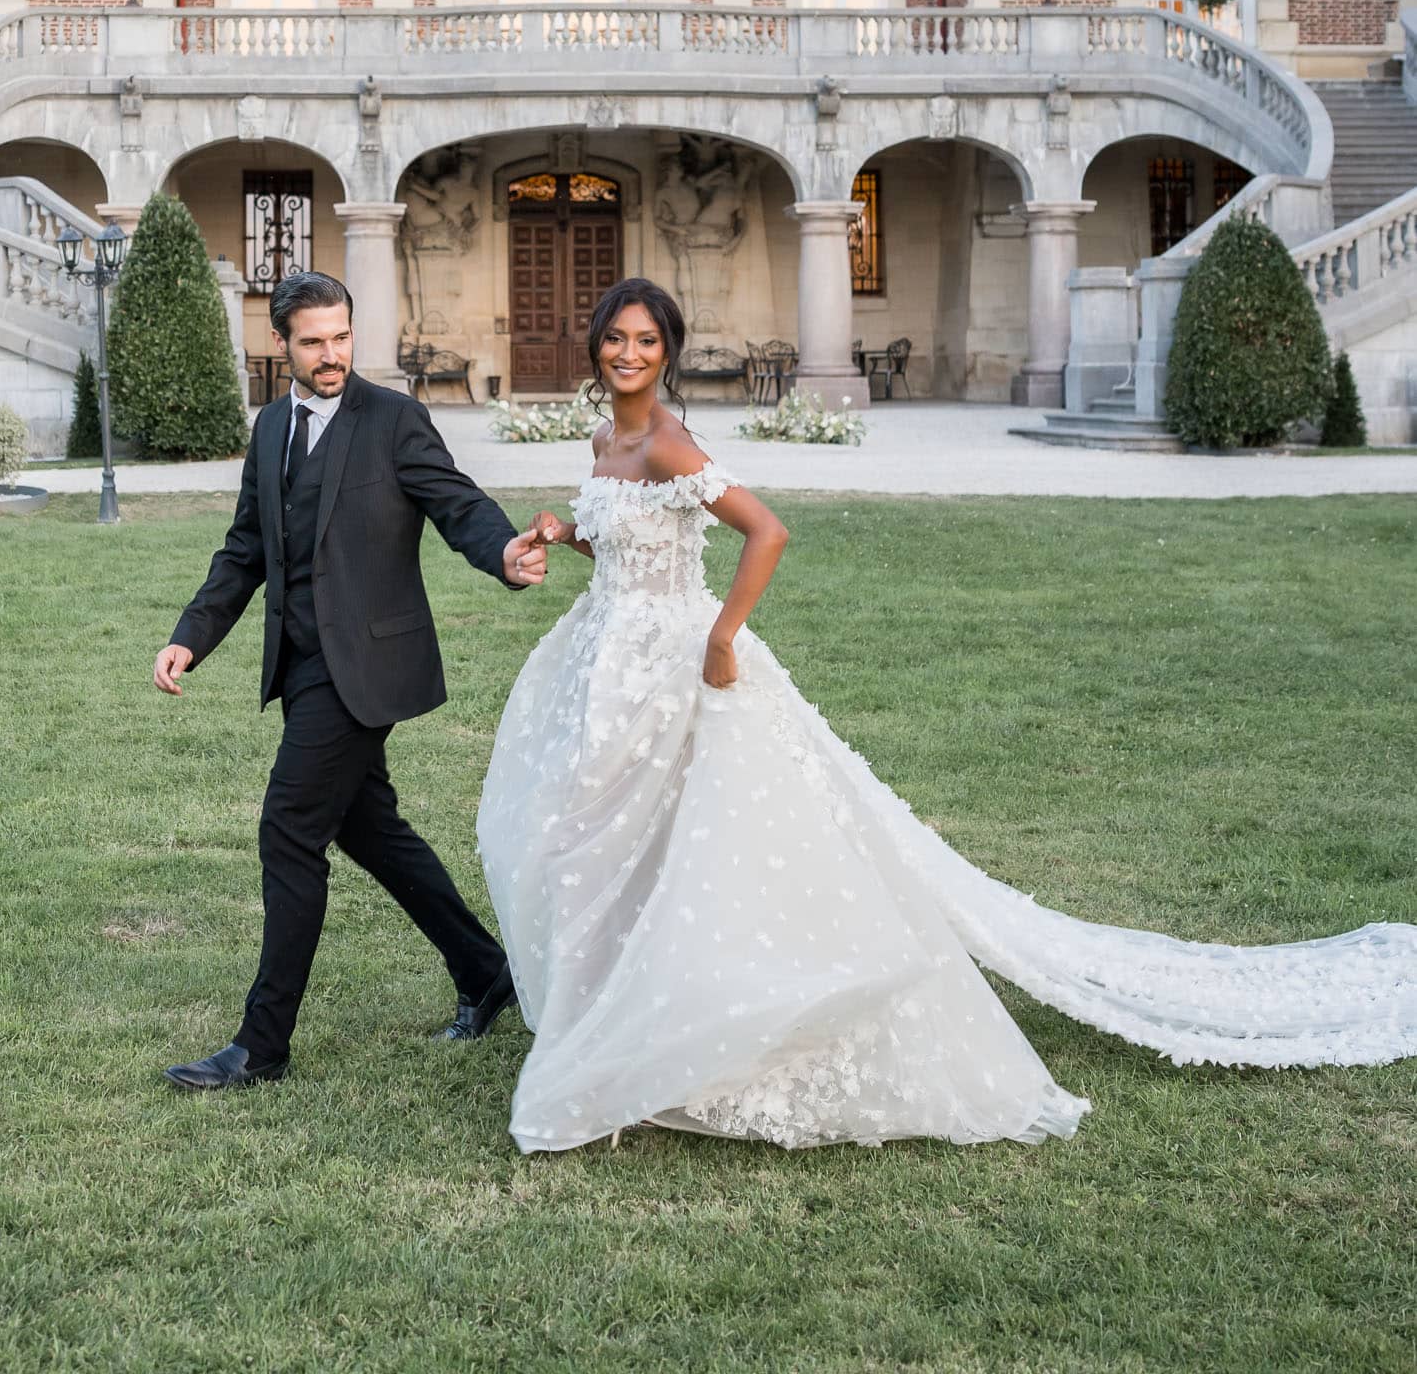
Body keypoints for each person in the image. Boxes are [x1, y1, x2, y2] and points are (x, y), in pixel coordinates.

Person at [477, 275, 1417, 1153]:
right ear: (595, 349)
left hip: (680, 667)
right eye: (615, 339)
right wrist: (567, 533)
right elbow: (627, 551)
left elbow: (767, 531)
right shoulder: (605, 441)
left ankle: (687, 1026)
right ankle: (619, 1011)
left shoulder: (673, 441)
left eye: (645, 341)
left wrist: (724, 637)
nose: (627, 353)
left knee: (688, 842)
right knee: (607, 840)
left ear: (667, 352)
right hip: (609, 664)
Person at [154, 269, 547, 1090]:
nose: (331, 355)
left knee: (289, 831)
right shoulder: (269, 427)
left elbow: (458, 504)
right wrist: (192, 636)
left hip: (366, 664)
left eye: (341, 338)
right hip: (299, 665)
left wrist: (505, 553)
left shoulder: (395, 419)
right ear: (280, 344)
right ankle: (485, 970)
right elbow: (246, 549)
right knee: (369, 829)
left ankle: (261, 1047)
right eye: (313, 342)